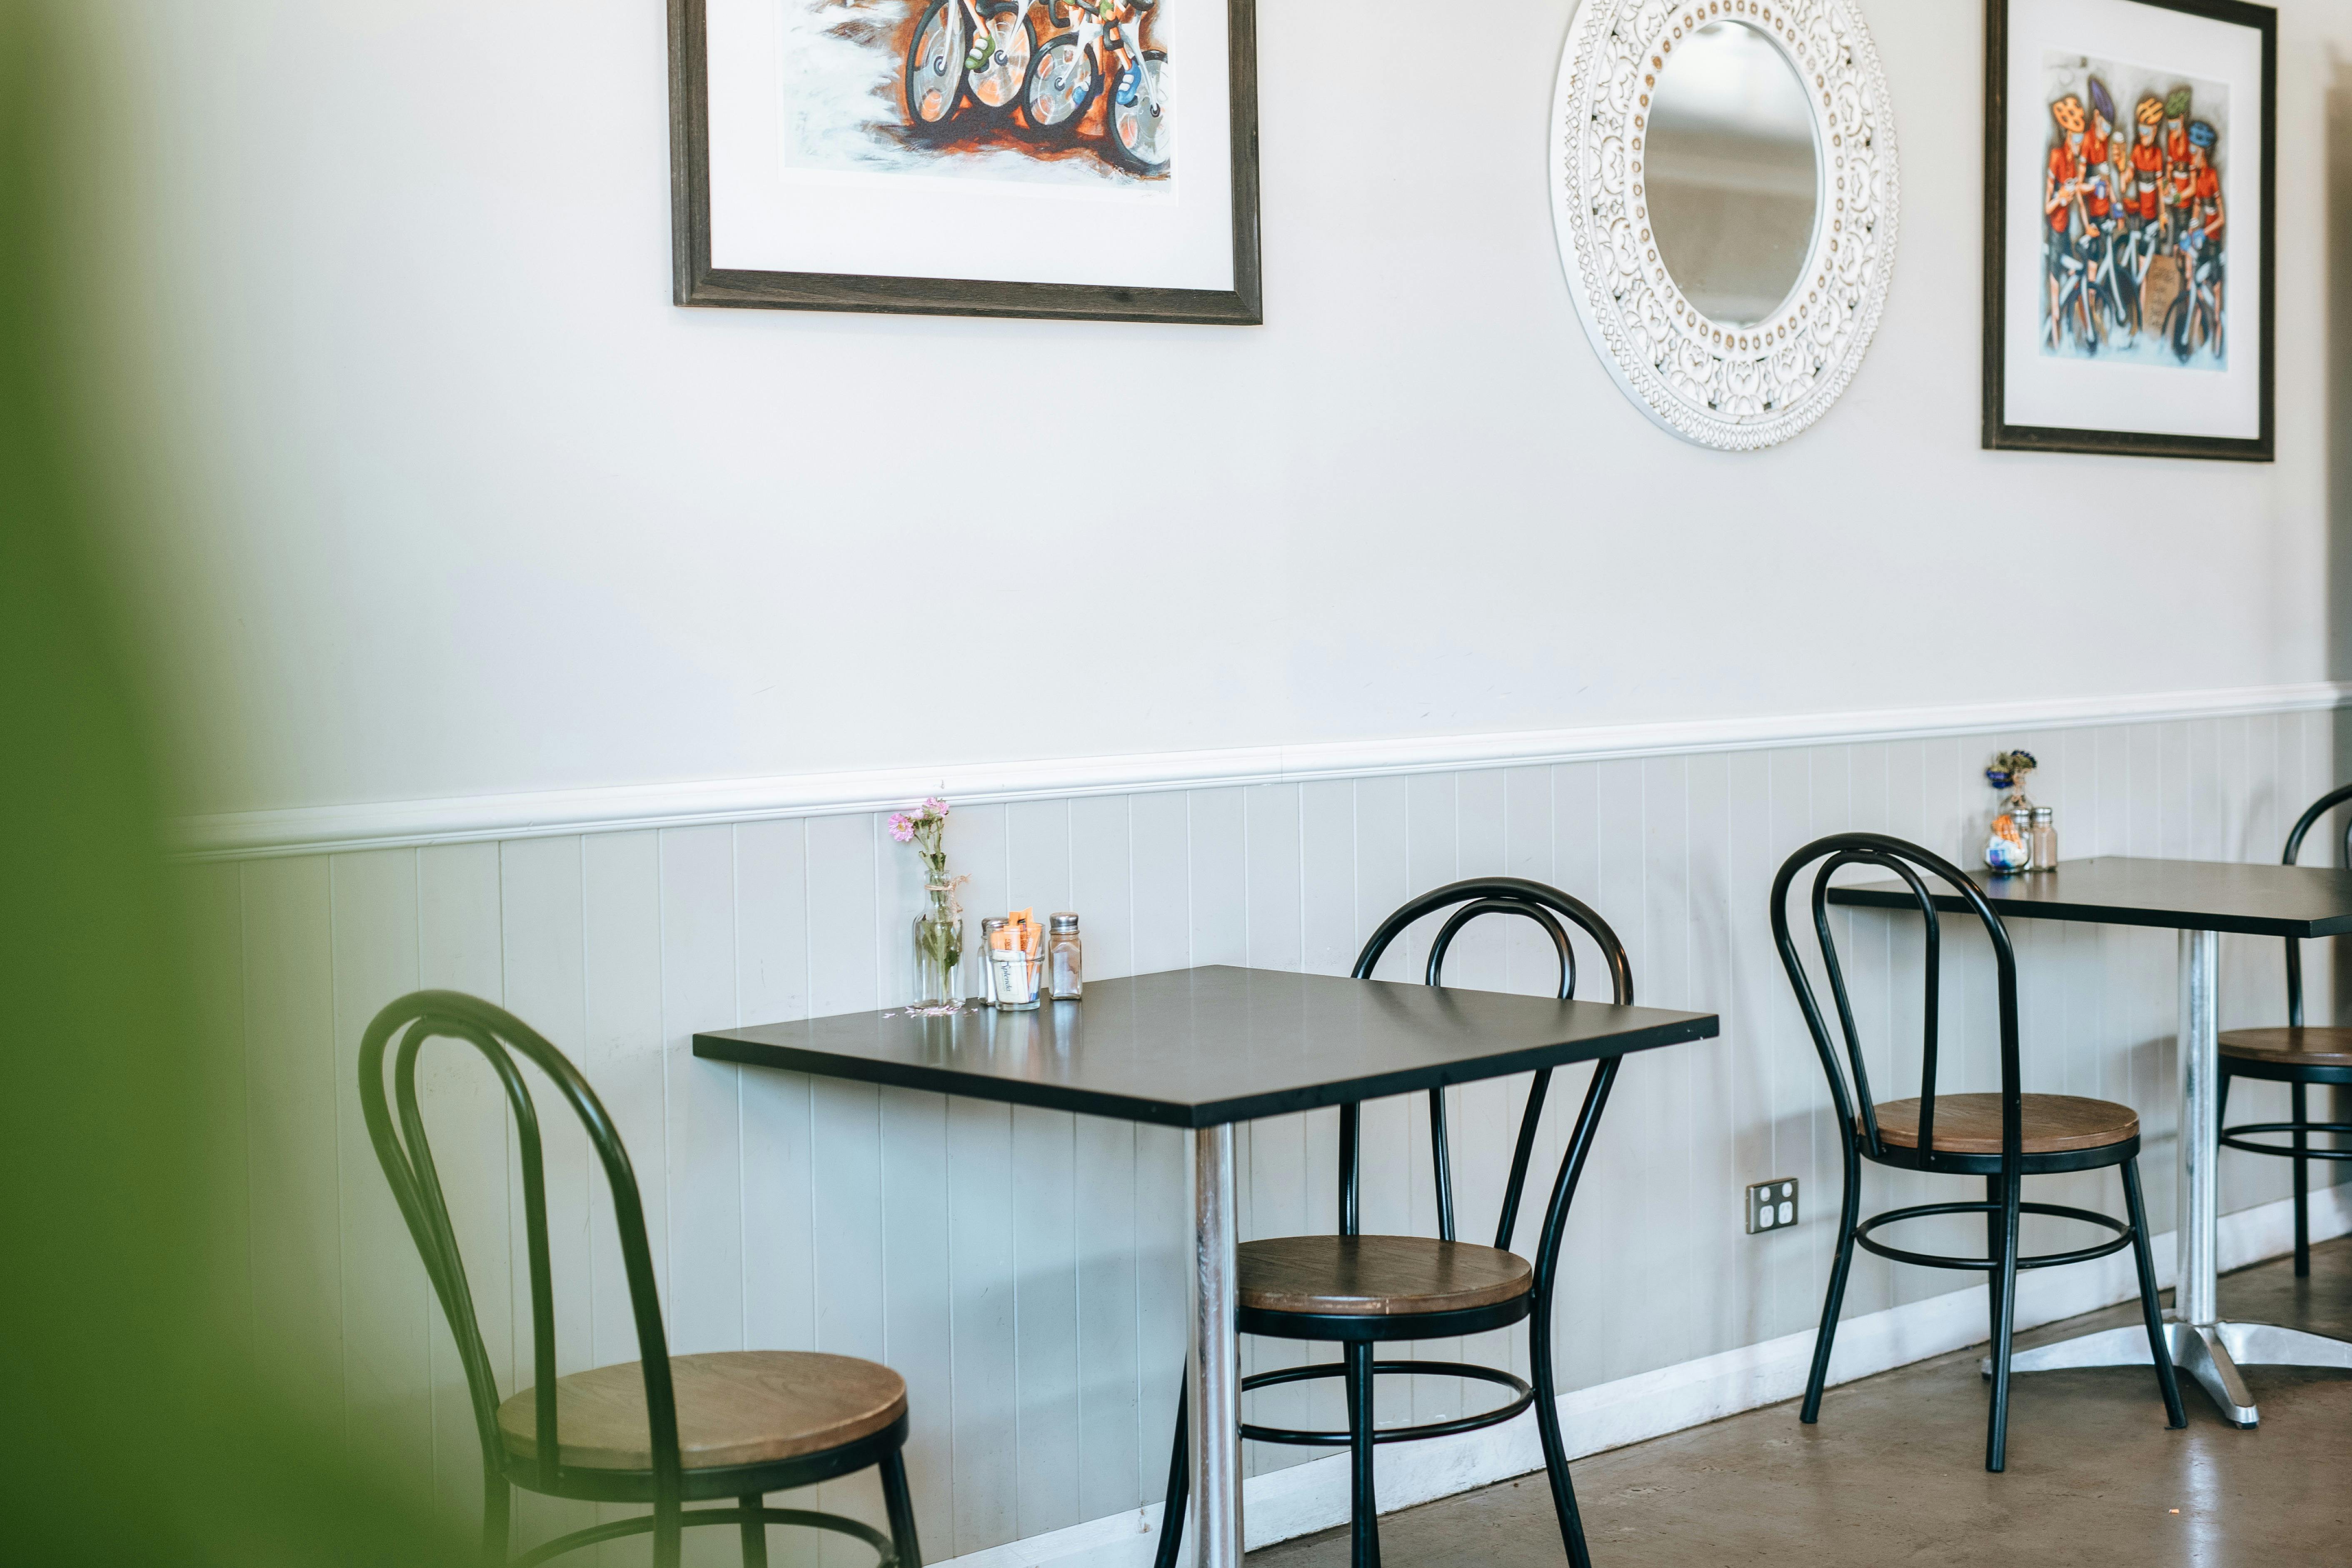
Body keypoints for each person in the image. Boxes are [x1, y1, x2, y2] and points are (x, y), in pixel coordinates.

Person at [2044, 95, 2090, 347]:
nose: (2081, 145)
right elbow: (2047, 207)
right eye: (2078, 139)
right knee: (2055, 296)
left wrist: (2088, 226)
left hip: (2066, 233)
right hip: (2055, 233)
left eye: (2083, 139)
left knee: (2076, 280)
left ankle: (2077, 334)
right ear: (2068, 136)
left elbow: (2080, 199)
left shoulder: (2074, 164)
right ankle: (2056, 341)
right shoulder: (2057, 157)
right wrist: (2060, 197)